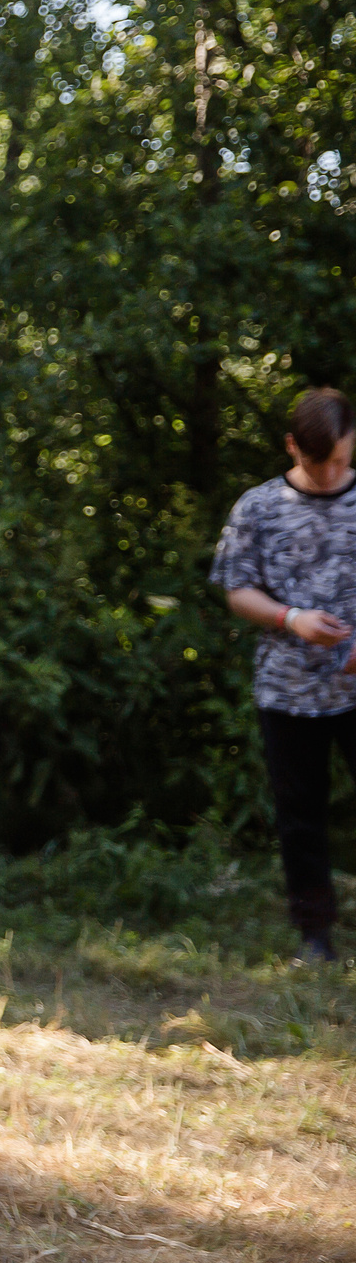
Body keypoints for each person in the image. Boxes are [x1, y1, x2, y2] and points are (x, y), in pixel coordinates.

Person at [212, 387, 356, 966]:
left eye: (342, 460)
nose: (329, 474)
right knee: (300, 817)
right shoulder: (258, 507)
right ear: (292, 446)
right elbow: (235, 588)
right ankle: (315, 937)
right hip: (287, 692)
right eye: (316, 462)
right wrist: (290, 618)